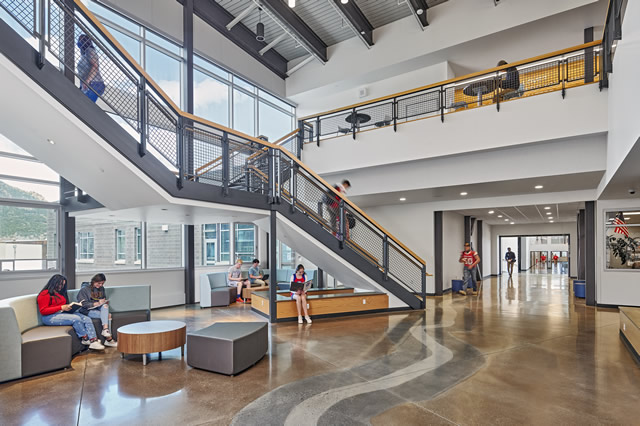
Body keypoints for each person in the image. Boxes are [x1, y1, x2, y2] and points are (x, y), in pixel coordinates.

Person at [37, 274, 105, 350]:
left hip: (62, 313)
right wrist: (61, 307)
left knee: (86, 318)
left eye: (62, 285)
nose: (60, 287)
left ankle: (93, 340)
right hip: (49, 317)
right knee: (76, 318)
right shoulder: (45, 293)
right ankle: (85, 338)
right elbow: (43, 311)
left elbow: (62, 306)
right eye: (59, 284)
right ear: (53, 283)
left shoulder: (60, 293)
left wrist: (69, 307)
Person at [76, 273, 117, 347]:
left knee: (105, 306)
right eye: (99, 283)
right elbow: (83, 304)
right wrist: (96, 303)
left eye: (102, 283)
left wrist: (103, 301)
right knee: (107, 316)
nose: (100, 285)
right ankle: (109, 340)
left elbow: (102, 299)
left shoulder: (101, 288)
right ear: (94, 281)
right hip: (86, 311)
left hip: (98, 309)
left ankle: (105, 330)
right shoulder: (84, 289)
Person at [77, 34, 105, 103]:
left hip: (93, 84)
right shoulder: (84, 55)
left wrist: (87, 81)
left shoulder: (90, 50)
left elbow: (95, 66)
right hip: (88, 84)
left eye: (81, 40)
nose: (79, 42)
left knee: (84, 106)